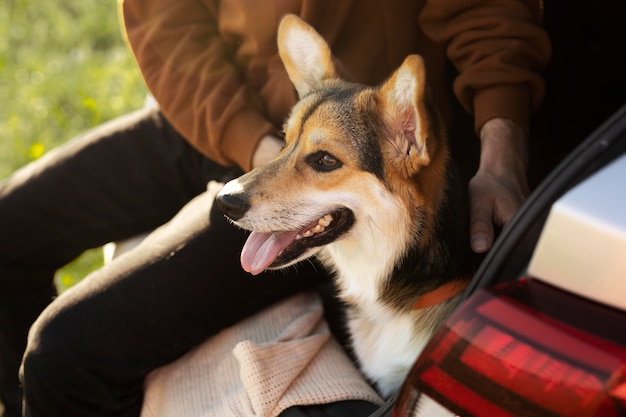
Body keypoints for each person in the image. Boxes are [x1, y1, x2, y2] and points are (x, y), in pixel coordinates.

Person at [0, 1, 550, 416]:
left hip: (344, 139)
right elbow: (164, 22)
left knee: (63, 354)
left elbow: (488, 10)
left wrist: (504, 147)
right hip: (220, 121)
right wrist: (259, 147)